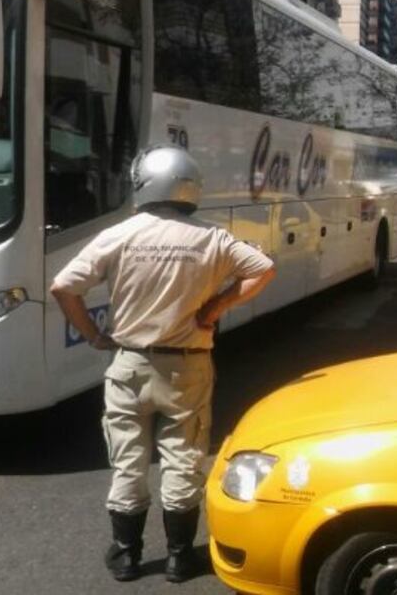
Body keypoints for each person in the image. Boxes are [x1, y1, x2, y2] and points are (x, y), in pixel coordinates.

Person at [50, 145, 275, 583]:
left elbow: (64, 287)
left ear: (144, 184)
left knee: (128, 461)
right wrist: (216, 306)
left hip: (129, 366)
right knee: (183, 459)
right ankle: (178, 558)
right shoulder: (211, 237)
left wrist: (95, 336)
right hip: (187, 368)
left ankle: (127, 555)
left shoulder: (120, 234)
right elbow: (262, 268)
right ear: (190, 186)